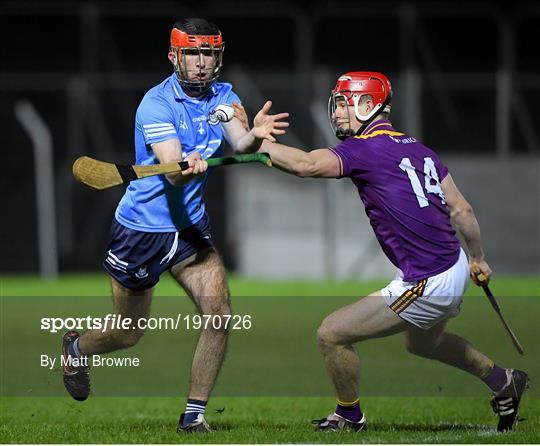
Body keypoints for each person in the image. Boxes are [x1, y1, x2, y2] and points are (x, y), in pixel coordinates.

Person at [244, 71, 528, 433]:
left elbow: (306, 164)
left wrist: (255, 143)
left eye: (345, 104)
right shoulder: (419, 149)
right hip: (453, 263)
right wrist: (477, 258)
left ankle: (349, 415)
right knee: (424, 344)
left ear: (368, 105)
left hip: (429, 279)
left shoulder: (365, 149)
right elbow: (463, 211)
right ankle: (503, 381)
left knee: (331, 334)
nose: (338, 113)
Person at [61, 18, 288, 433]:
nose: (201, 63)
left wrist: (254, 135)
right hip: (141, 232)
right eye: (192, 54)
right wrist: (185, 165)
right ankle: (76, 346)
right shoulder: (156, 103)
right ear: (174, 56)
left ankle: (194, 416)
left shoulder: (224, 94)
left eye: (208, 54)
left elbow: (237, 141)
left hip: (189, 230)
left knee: (218, 313)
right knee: (128, 333)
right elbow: (170, 168)